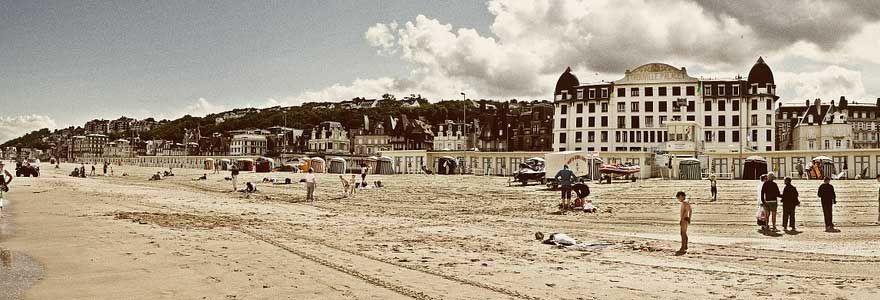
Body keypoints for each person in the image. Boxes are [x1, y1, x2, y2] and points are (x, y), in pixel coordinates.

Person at [676, 191, 692, 255]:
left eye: (678, 198)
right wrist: (689, 218)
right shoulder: (687, 202)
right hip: (686, 219)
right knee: (684, 233)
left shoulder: (684, 203)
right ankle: (685, 246)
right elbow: (690, 210)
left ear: (681, 196)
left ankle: (683, 247)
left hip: (684, 219)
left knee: (682, 233)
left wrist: (682, 219)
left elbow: (685, 212)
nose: (678, 199)